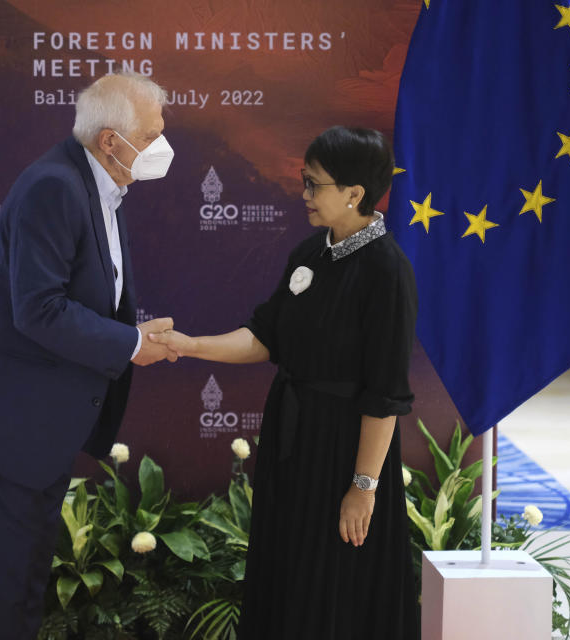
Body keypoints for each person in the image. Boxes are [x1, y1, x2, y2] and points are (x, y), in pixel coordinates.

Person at [150, 126, 419, 639]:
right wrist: (190, 345)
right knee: (288, 576)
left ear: (354, 194)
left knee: (337, 586)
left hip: (344, 454)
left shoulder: (388, 271)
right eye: (304, 181)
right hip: (292, 446)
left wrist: (363, 489)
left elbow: (385, 397)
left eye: (314, 185)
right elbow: (265, 337)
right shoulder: (308, 255)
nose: (304, 195)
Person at [0, 72, 178, 639]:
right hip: (8, 423)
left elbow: (90, 292)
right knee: (5, 598)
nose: (162, 147)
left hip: (40, 426)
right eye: (150, 134)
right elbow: (39, 309)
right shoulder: (55, 186)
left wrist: (135, 331)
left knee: (24, 587)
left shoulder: (104, 184)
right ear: (110, 141)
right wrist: (133, 344)